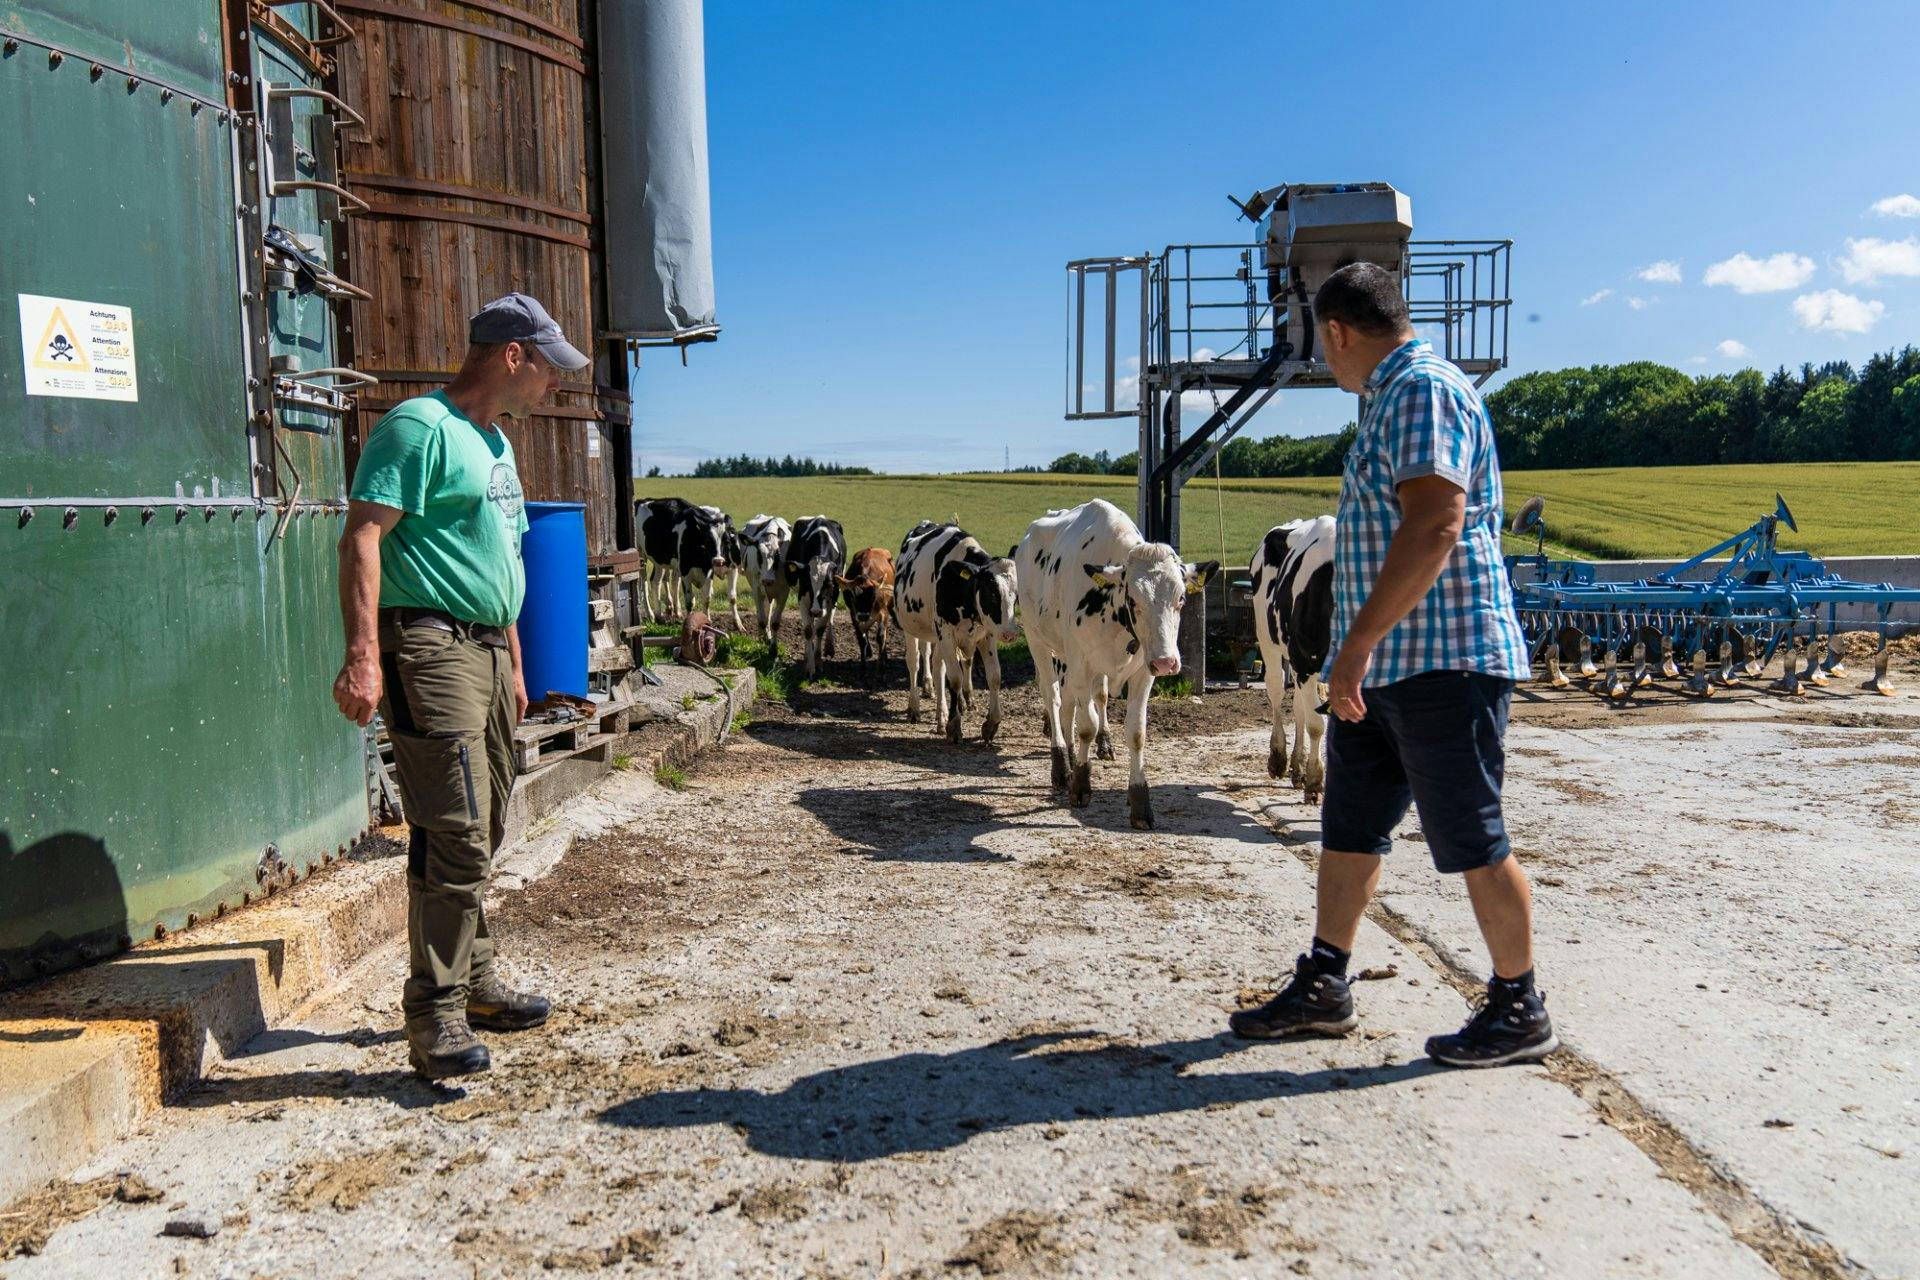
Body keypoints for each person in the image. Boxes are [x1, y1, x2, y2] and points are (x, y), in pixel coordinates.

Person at [1229, 262, 1557, 1067]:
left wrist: (1357, 642)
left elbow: (1437, 522)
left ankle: (1519, 1005)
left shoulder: (1421, 391)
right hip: (1392, 667)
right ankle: (1326, 982)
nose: (1323, 361)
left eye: (1320, 344)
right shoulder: (1395, 396)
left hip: (1443, 659)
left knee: (1473, 837)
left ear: (1339, 331)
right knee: (1349, 828)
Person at [332, 293, 589, 1080]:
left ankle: (474, 985)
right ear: (513, 356)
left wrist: (512, 656)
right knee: (456, 830)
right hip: (430, 644)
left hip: (487, 653)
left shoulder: (497, 446)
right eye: (549, 368)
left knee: (483, 822)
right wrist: (363, 655)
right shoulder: (419, 428)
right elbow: (363, 537)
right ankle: (434, 1016)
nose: (555, 385)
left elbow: (503, 558)